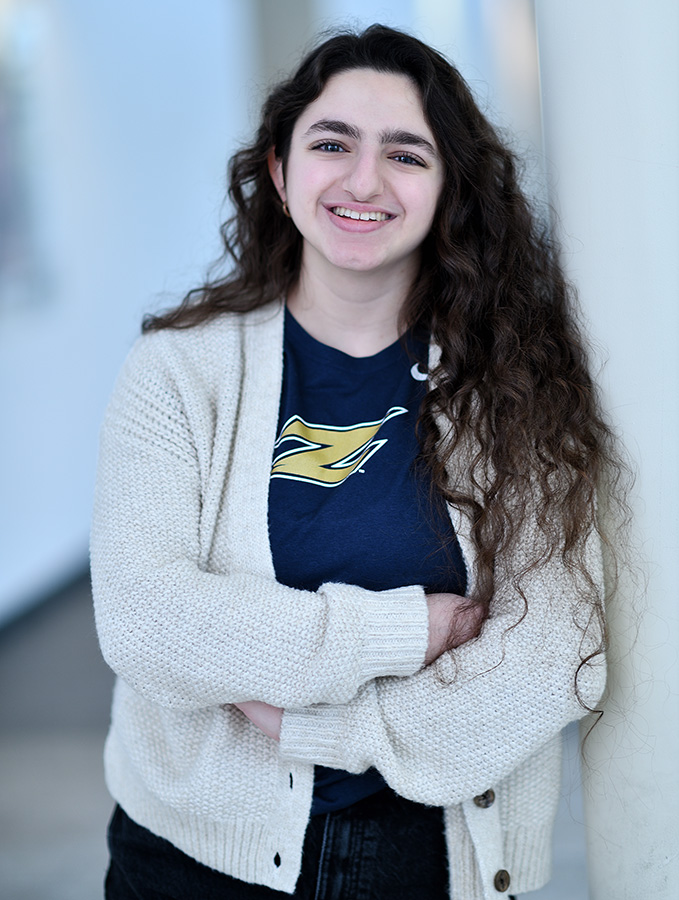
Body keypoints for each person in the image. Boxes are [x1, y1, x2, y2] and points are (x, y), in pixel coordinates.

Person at [91, 23, 620, 900]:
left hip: (427, 856)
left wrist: (320, 728)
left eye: (406, 154)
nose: (362, 181)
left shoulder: (513, 383)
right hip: (192, 853)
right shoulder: (180, 372)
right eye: (331, 143)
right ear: (279, 170)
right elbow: (146, 620)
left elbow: (555, 648)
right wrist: (406, 631)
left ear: (447, 186)